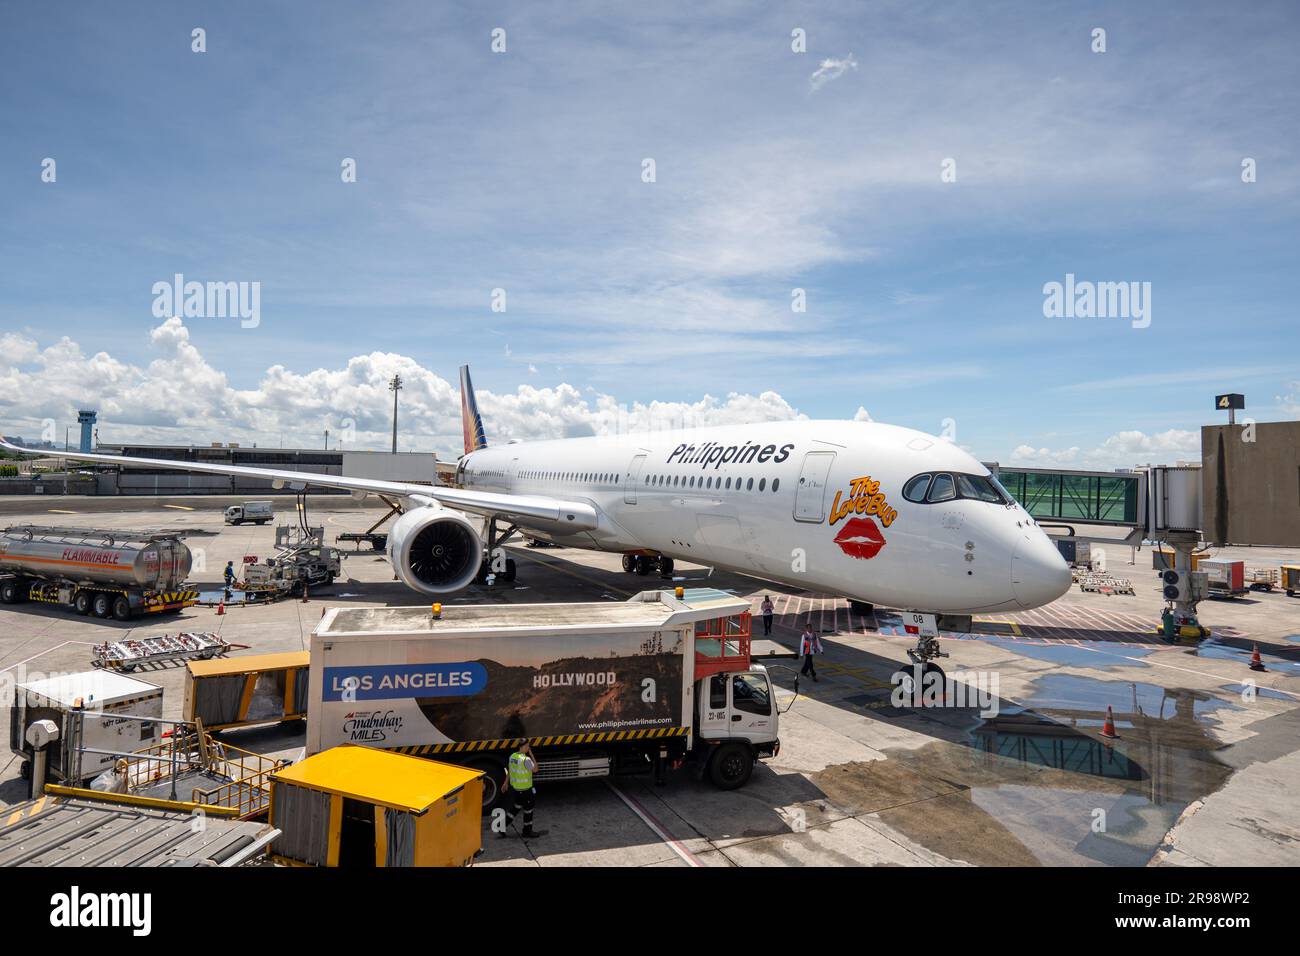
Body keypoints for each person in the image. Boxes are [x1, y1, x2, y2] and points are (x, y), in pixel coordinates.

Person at [501, 739, 542, 839]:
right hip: (526, 790)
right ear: (522, 747)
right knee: (528, 810)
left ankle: (501, 827)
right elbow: (536, 769)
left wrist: (505, 783)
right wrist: (531, 755)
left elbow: (510, 771)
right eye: (528, 746)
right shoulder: (526, 760)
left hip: (516, 789)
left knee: (516, 808)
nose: (528, 748)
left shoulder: (513, 757)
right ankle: (527, 832)